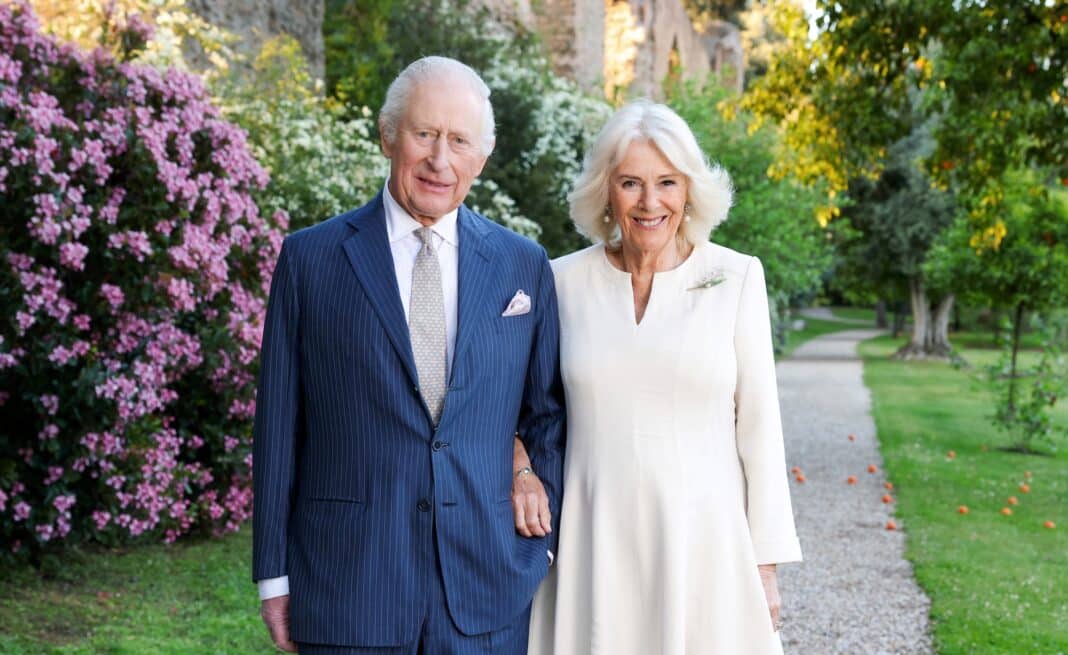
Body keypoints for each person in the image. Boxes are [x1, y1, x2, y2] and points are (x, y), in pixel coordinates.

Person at [251, 56, 566, 654]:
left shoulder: (522, 265)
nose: (440, 159)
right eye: (424, 133)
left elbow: (547, 414)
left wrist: (539, 546)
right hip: (348, 586)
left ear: (482, 156)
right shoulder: (310, 260)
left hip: (486, 593)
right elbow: (278, 429)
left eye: (459, 141)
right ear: (388, 134)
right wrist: (274, 576)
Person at [518, 100, 803, 654]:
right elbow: (520, 407)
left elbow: (761, 430)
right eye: (631, 183)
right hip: (592, 544)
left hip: (705, 545)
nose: (651, 202)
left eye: (667, 182)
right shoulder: (559, 282)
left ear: (689, 189)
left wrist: (765, 566)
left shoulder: (737, 277)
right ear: (606, 192)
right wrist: (518, 464)